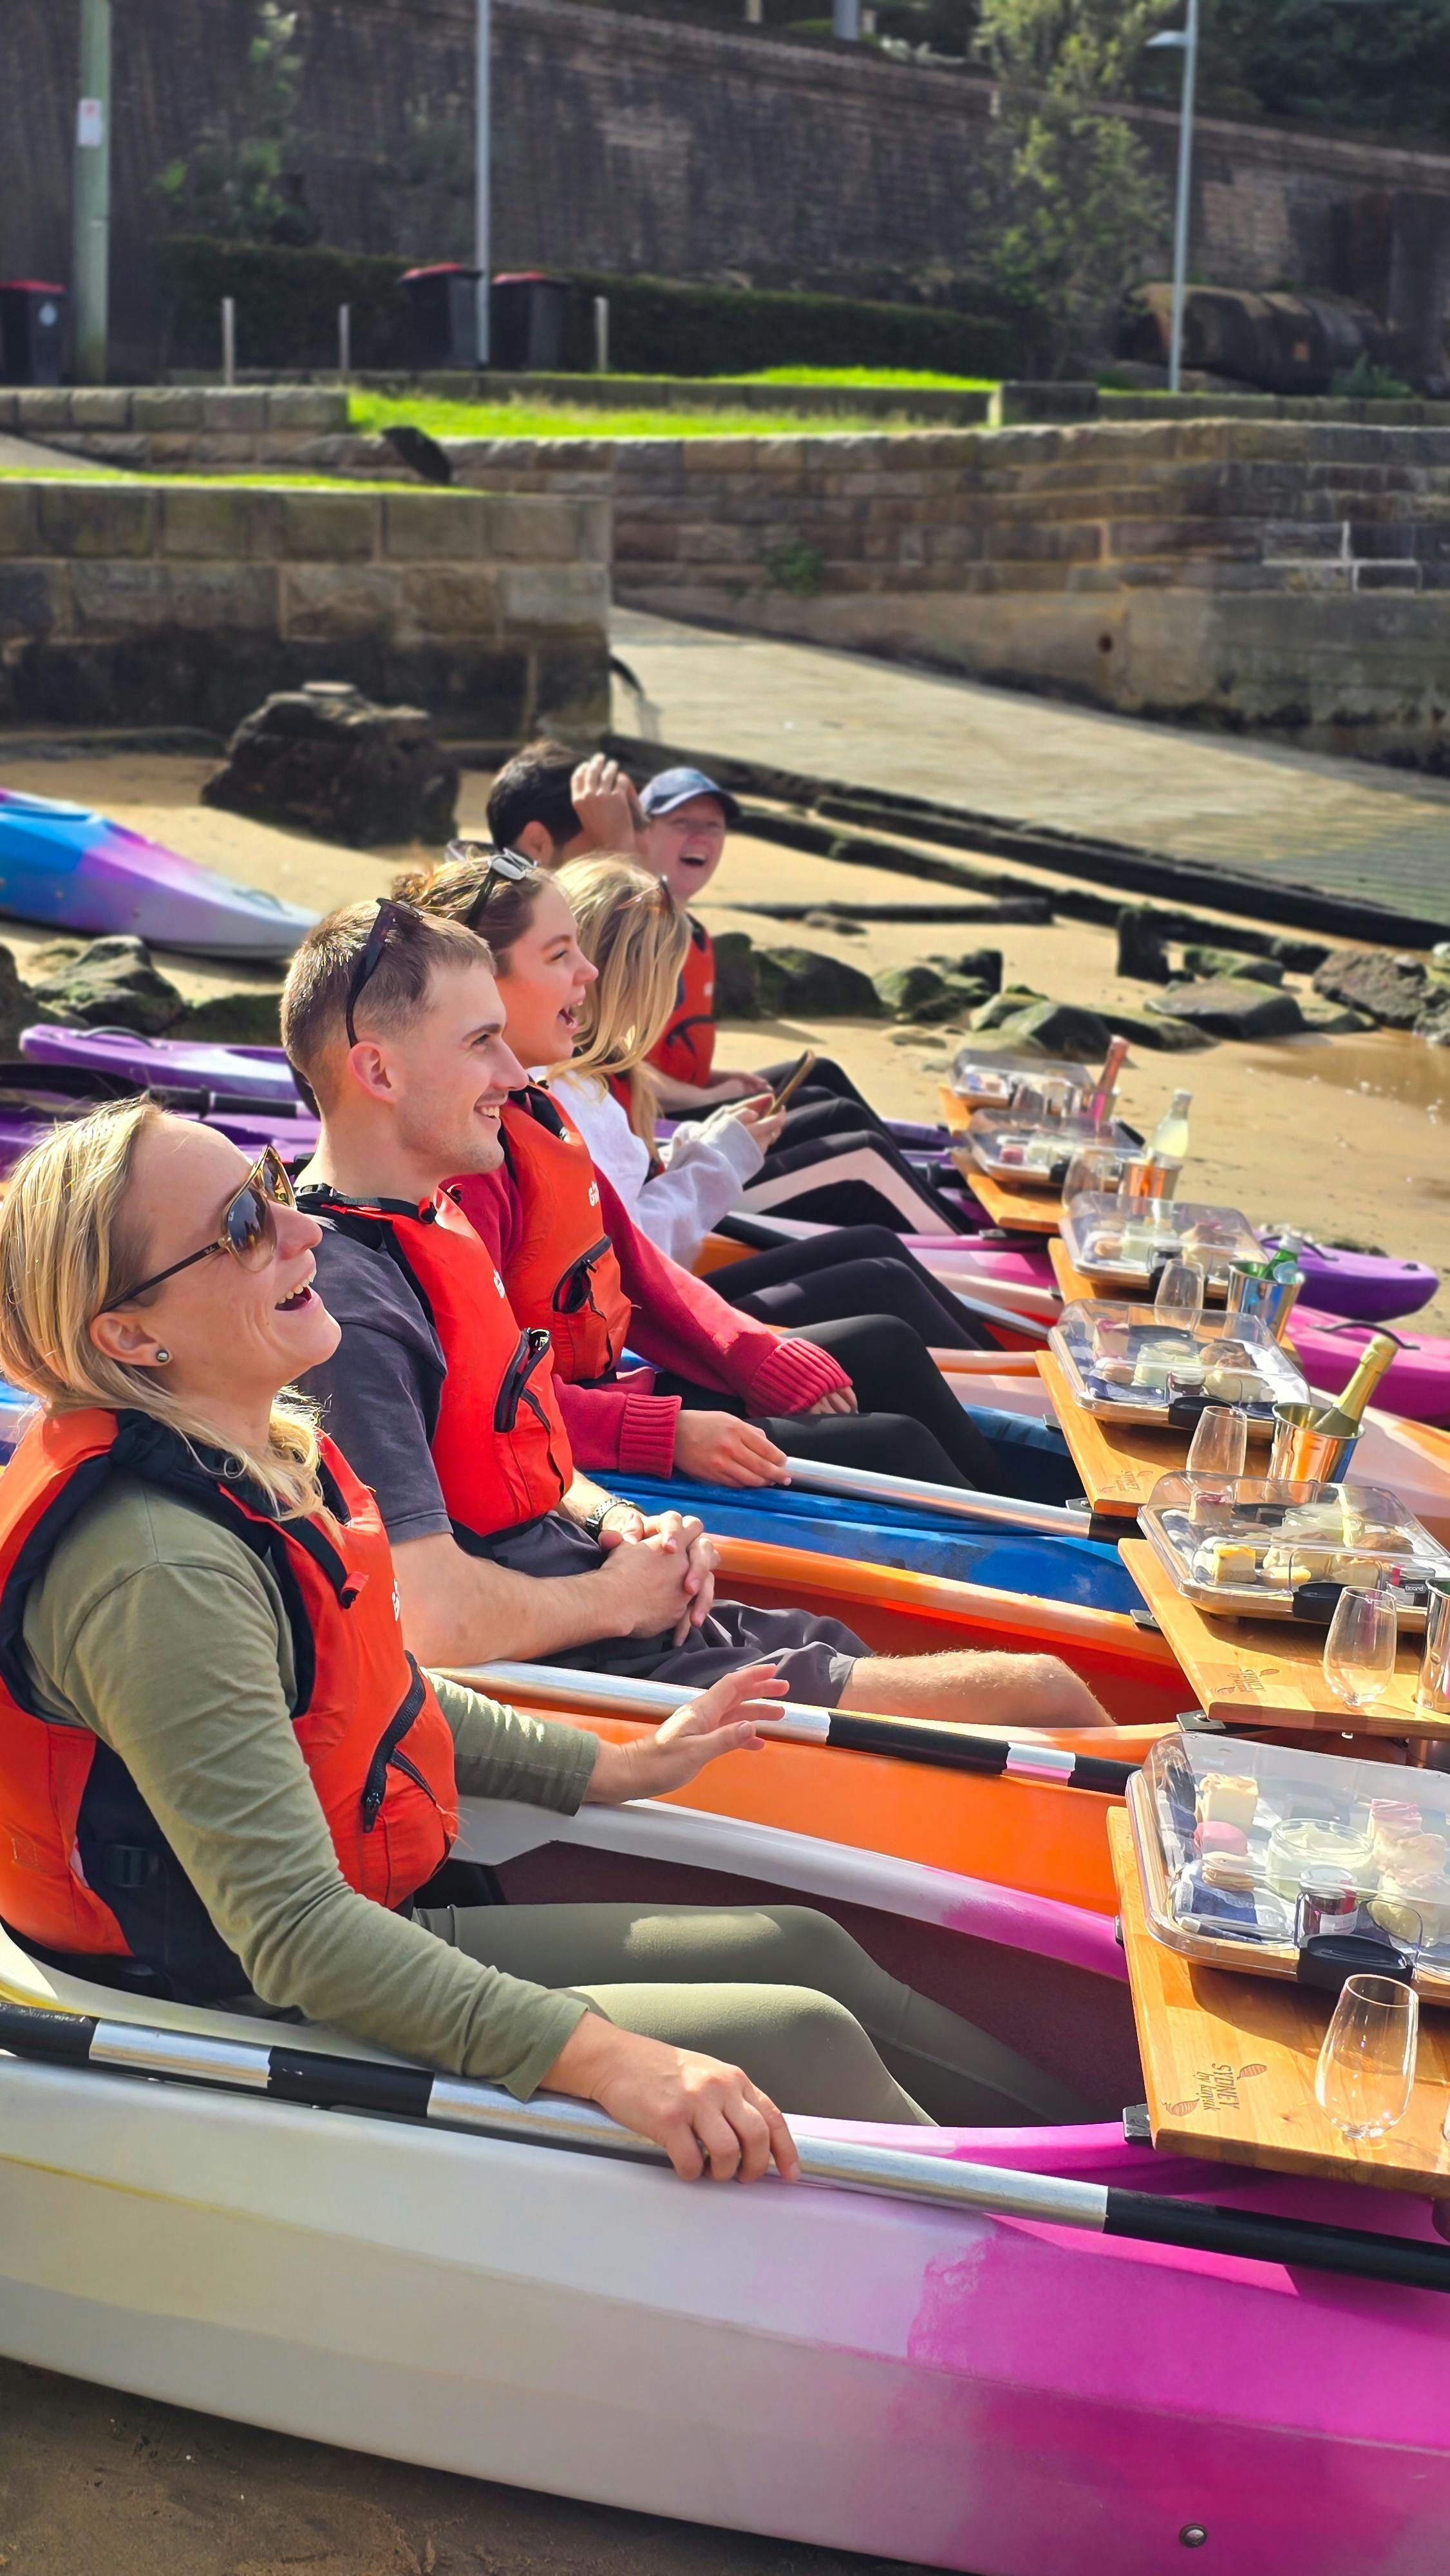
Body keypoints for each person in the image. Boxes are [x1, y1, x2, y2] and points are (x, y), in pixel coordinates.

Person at [0, 1101, 1088, 2174]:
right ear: (130, 1335)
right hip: (235, 1999)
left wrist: (620, 1765)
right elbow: (292, 1937)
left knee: (798, 1950)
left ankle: (1108, 2164)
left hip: (355, 1917)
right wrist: (611, 2065)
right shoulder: (159, 1571)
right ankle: (1075, 2256)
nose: (306, 1233)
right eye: (242, 1229)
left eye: (273, 1187)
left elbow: (376, 1688)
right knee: (794, 2030)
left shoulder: (258, 1453)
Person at [280, 897, 1108, 1728]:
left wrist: (618, 1520)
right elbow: (425, 1616)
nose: (513, 1073)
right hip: (605, 1687)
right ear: (378, 1072)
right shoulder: (346, 1307)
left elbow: (518, 1459)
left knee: (1005, 1670)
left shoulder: (433, 1223)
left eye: (503, 1036)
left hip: (640, 1629)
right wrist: (615, 1597)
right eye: (478, 1044)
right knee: (1042, 1694)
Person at [406, 847, 1080, 1507]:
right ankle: (1043, 1550)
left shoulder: (537, 1113)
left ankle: (1040, 1507)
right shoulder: (460, 1168)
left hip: (600, 1390)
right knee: (892, 1441)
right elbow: (476, 1393)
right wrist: (666, 1433)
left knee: (882, 1347)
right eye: (560, 956)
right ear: (479, 984)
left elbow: (638, 1267)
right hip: (570, 1436)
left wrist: (754, 1354)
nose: (588, 972)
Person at [486, 739, 645, 871]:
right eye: (600, 853)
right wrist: (620, 858)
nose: (634, 854)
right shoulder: (507, 909)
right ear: (538, 844)